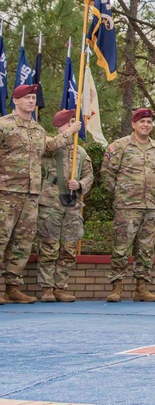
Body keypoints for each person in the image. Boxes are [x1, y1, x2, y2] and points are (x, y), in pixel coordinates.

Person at [0, 85, 78, 304]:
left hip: (31, 194)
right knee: (1, 239)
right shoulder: (3, 125)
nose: (31, 101)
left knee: (22, 243)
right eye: (26, 98)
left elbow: (49, 148)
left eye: (34, 98)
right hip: (6, 192)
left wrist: (69, 134)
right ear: (15, 100)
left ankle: (12, 287)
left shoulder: (37, 129)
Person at [103, 108, 155, 303]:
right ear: (134, 124)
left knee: (147, 248)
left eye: (149, 122)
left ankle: (142, 287)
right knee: (122, 248)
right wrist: (120, 193)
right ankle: (117, 287)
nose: (146, 125)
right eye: (142, 122)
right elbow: (107, 173)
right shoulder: (120, 146)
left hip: (151, 206)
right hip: (127, 206)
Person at [36, 109, 94, 302]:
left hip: (72, 204)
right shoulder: (49, 143)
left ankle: (60, 287)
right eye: (68, 122)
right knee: (49, 247)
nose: (72, 125)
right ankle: (46, 288)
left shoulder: (81, 151)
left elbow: (89, 175)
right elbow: (48, 148)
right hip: (51, 203)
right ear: (60, 125)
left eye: (73, 122)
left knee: (68, 249)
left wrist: (80, 185)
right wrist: (68, 133)